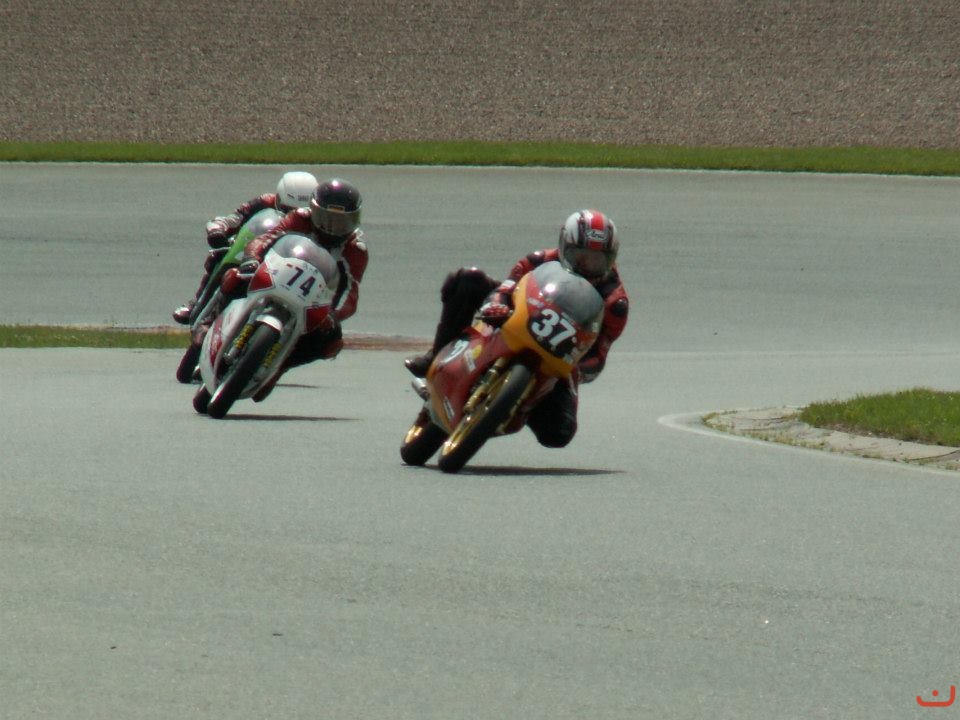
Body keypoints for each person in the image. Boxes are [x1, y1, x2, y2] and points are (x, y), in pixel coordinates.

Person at [404, 209, 629, 447]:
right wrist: (496, 304)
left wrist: (574, 367)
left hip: (558, 360)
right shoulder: (538, 260)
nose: (587, 266)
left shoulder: (615, 302)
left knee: (558, 433)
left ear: (611, 259)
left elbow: (598, 356)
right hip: (515, 320)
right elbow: (507, 288)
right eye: (580, 256)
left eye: (597, 260)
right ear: (565, 247)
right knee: (469, 280)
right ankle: (436, 356)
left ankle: (517, 405)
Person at [220, 177, 368, 398]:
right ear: (314, 211)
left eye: (341, 222)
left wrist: (333, 315)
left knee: (332, 343)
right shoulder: (300, 218)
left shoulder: (356, 249)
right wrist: (252, 259)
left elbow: (350, 292)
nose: (333, 228)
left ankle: (280, 366)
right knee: (234, 277)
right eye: (327, 219)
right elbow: (266, 239)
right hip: (274, 274)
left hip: (313, 298)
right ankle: (210, 323)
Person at [171, 170, 319, 324]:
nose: (294, 216)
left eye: (300, 211)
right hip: (253, 253)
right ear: (278, 199)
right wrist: (217, 229)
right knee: (219, 254)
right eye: (287, 210)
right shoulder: (264, 202)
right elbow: (234, 218)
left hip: (287, 263)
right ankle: (199, 302)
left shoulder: (318, 219)